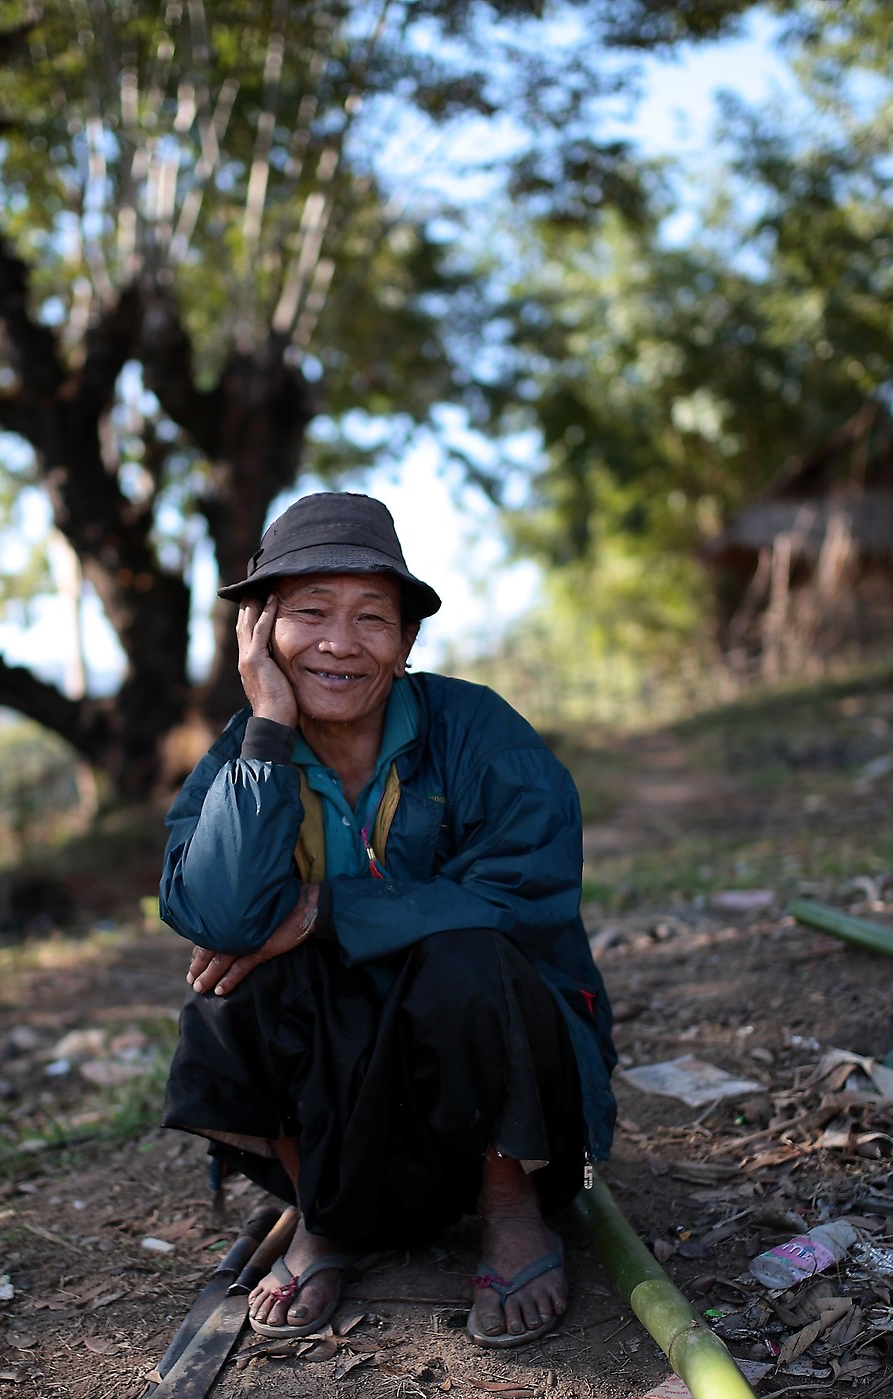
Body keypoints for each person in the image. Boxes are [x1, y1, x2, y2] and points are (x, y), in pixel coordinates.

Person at [158, 491, 617, 1349]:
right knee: (229, 982)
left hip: (506, 1103)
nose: (340, 642)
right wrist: (266, 725)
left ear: (406, 642)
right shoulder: (244, 752)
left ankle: (512, 1212)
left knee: (466, 953)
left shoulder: (476, 730)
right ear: (257, 632)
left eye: (372, 616)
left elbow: (529, 889)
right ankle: (326, 1218)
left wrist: (327, 908)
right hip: (345, 1117)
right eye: (309, 614)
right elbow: (216, 914)